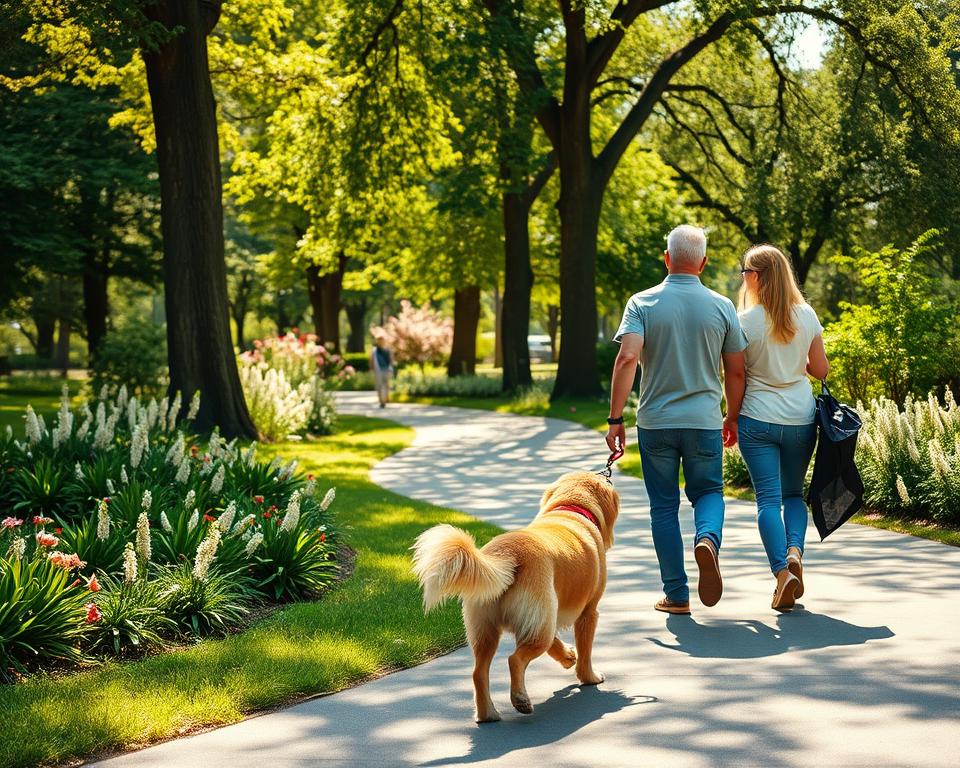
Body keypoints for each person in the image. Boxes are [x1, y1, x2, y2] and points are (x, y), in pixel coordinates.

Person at [606, 225, 747, 615]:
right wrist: (732, 416)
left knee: (664, 508)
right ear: (703, 262)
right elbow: (736, 371)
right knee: (709, 493)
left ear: (666, 258)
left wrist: (615, 418)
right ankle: (707, 540)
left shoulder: (642, 303)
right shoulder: (722, 307)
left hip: (656, 424)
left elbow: (627, 359)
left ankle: (677, 594)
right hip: (703, 421)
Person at [736, 244, 829, 612]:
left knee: (767, 501)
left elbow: (738, 374)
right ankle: (794, 552)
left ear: (757, 277)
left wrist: (730, 415)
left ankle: (781, 573)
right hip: (800, 418)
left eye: (745, 271)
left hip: (757, 418)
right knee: (793, 496)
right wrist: (795, 362)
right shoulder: (805, 315)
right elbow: (820, 369)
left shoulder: (745, 321)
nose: (743, 277)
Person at [370, 336, 394, 408]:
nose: (381, 342)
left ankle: (386, 398)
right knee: (379, 386)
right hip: (378, 370)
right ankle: (381, 401)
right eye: (379, 340)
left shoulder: (388, 349)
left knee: (387, 385)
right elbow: (371, 360)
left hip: (387, 370)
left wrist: (391, 368)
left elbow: (391, 359)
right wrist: (372, 369)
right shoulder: (374, 350)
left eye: (382, 340)